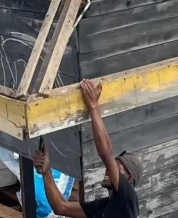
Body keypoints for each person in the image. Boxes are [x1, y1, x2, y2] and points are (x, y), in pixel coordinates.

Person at [33, 80, 140, 218]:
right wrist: (46, 172)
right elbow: (61, 207)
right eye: (111, 166)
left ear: (129, 179)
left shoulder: (128, 201)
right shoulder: (103, 207)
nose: (108, 169)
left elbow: (106, 153)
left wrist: (94, 107)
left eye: (116, 167)